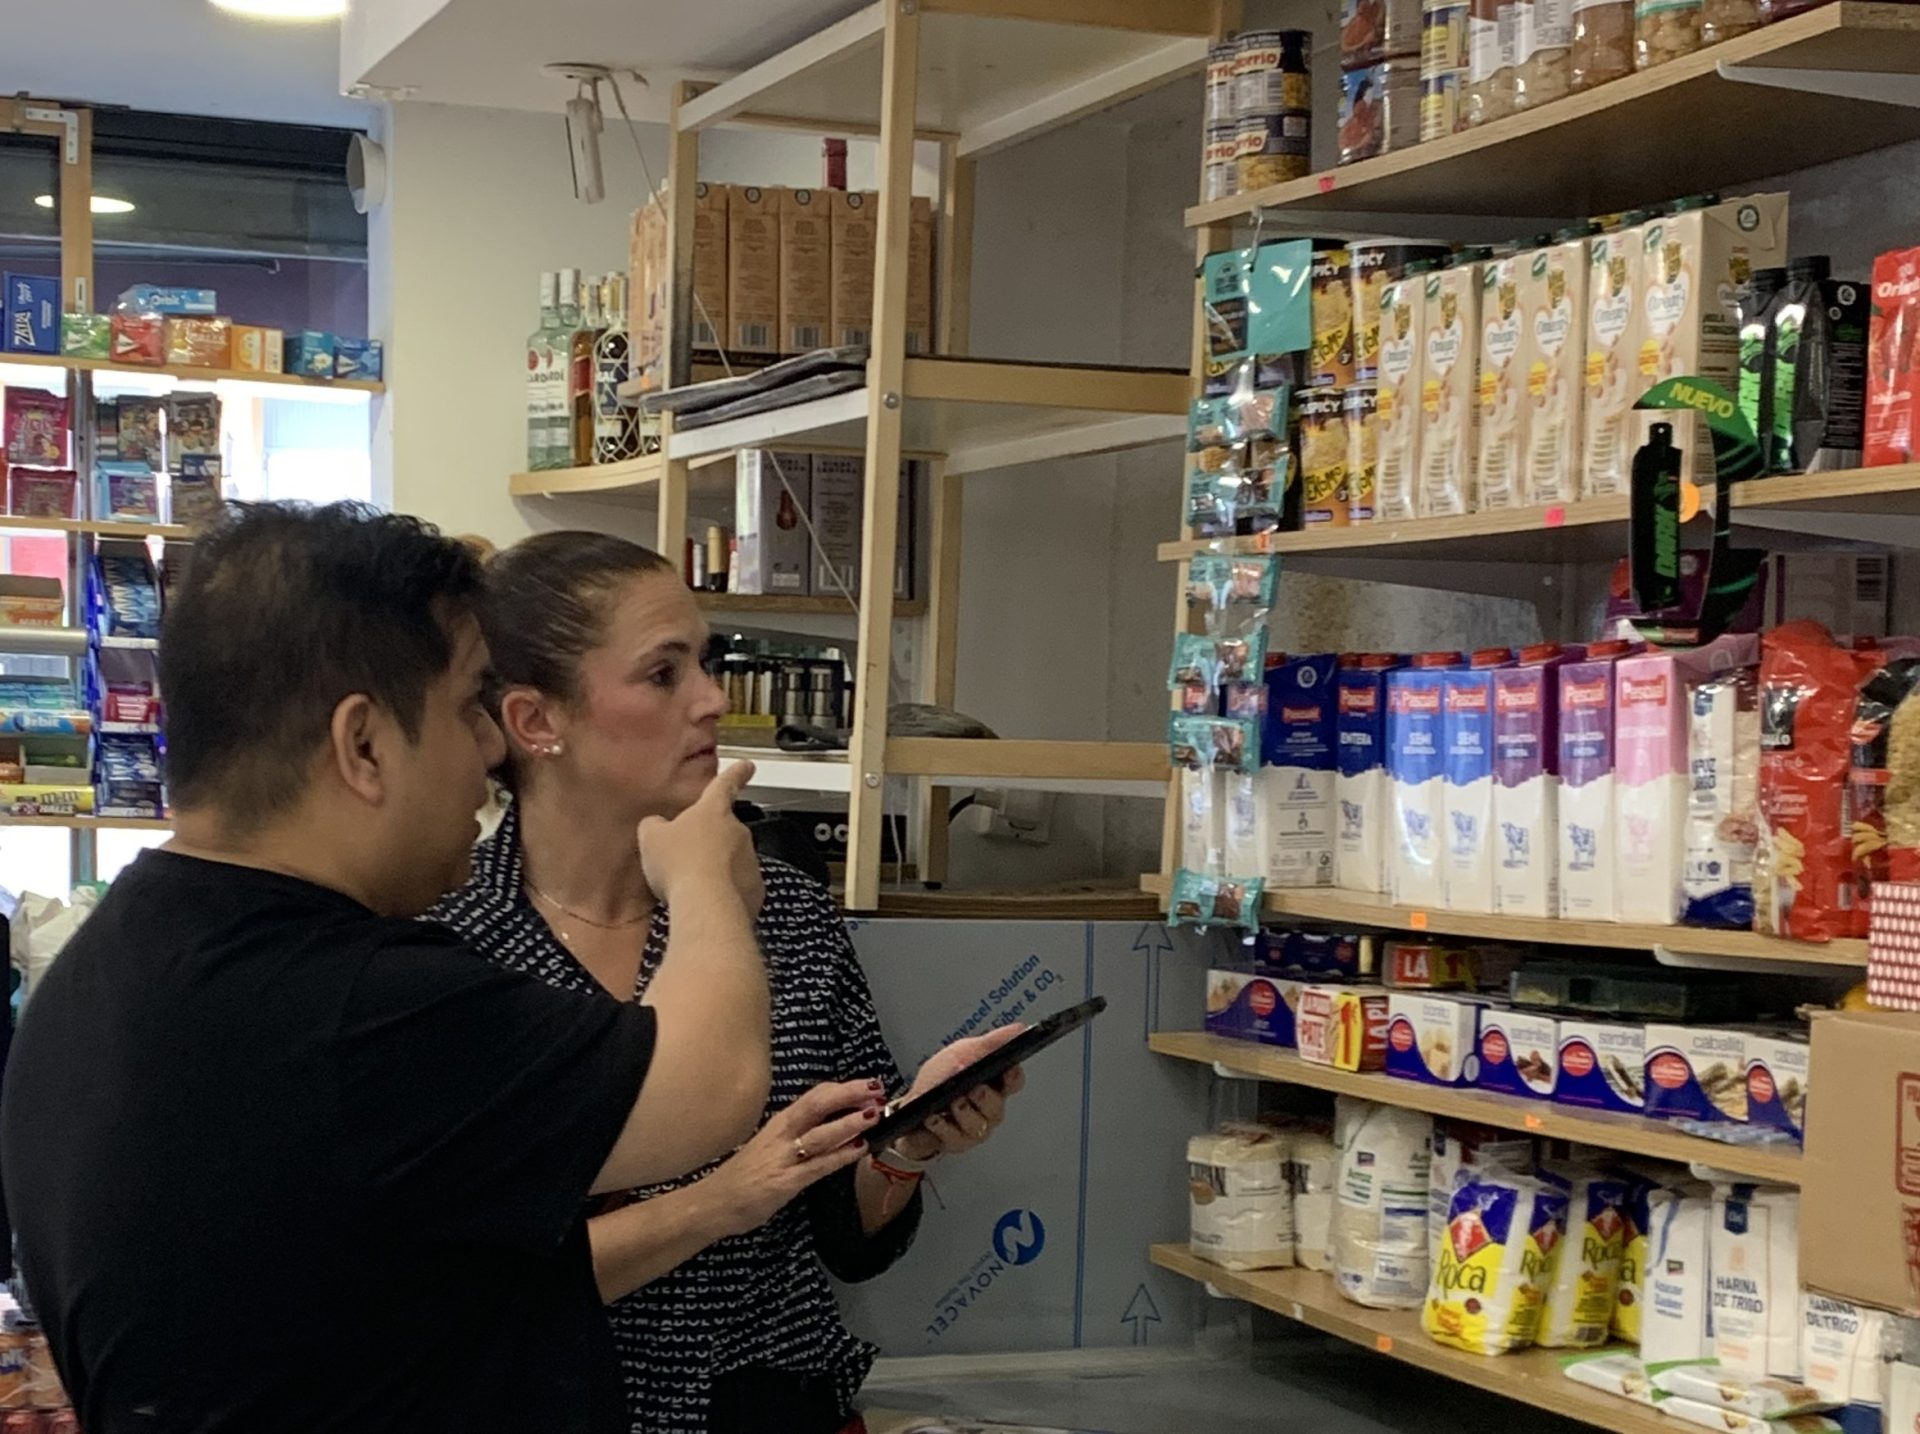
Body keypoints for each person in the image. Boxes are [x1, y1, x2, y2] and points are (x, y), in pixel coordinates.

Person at [0, 503, 778, 1434]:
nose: (491, 755)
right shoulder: (355, 1007)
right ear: (362, 745)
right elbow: (713, 1082)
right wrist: (702, 881)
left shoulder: (105, 963)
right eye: (465, 711)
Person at [432, 531, 1027, 1434]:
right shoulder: (448, 944)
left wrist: (909, 1142)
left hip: (767, 1403)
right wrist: (723, 1198)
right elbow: (458, 1284)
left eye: (706, 663)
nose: (714, 701)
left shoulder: (783, 912)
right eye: (664, 675)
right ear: (535, 722)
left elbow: (841, 1229)